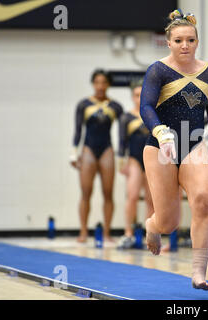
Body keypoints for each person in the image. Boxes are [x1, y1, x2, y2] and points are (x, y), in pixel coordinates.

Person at [139, 9, 208, 290]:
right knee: (169, 223)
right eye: (178, 40)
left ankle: (198, 273)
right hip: (159, 147)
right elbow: (146, 106)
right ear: (168, 42)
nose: (185, 46)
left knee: (204, 199)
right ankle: (152, 226)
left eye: (190, 40)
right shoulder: (158, 70)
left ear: (197, 41)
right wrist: (161, 132)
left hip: (194, 144)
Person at [70, 69, 123, 243]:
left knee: (108, 193)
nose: (100, 86)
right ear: (93, 84)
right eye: (97, 82)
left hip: (107, 150)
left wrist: (123, 156)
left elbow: (123, 134)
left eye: (103, 82)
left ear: (108, 84)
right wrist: (73, 153)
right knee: (86, 192)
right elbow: (78, 130)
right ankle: (83, 231)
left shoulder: (115, 106)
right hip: (88, 150)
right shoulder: (84, 104)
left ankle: (107, 233)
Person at [116, 79, 154, 249]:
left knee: (151, 199)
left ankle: (149, 234)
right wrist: (121, 163)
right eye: (137, 95)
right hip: (134, 160)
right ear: (132, 97)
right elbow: (122, 142)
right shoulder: (126, 117)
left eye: (142, 94)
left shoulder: (154, 115)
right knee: (131, 197)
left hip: (152, 160)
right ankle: (128, 233)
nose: (140, 98)